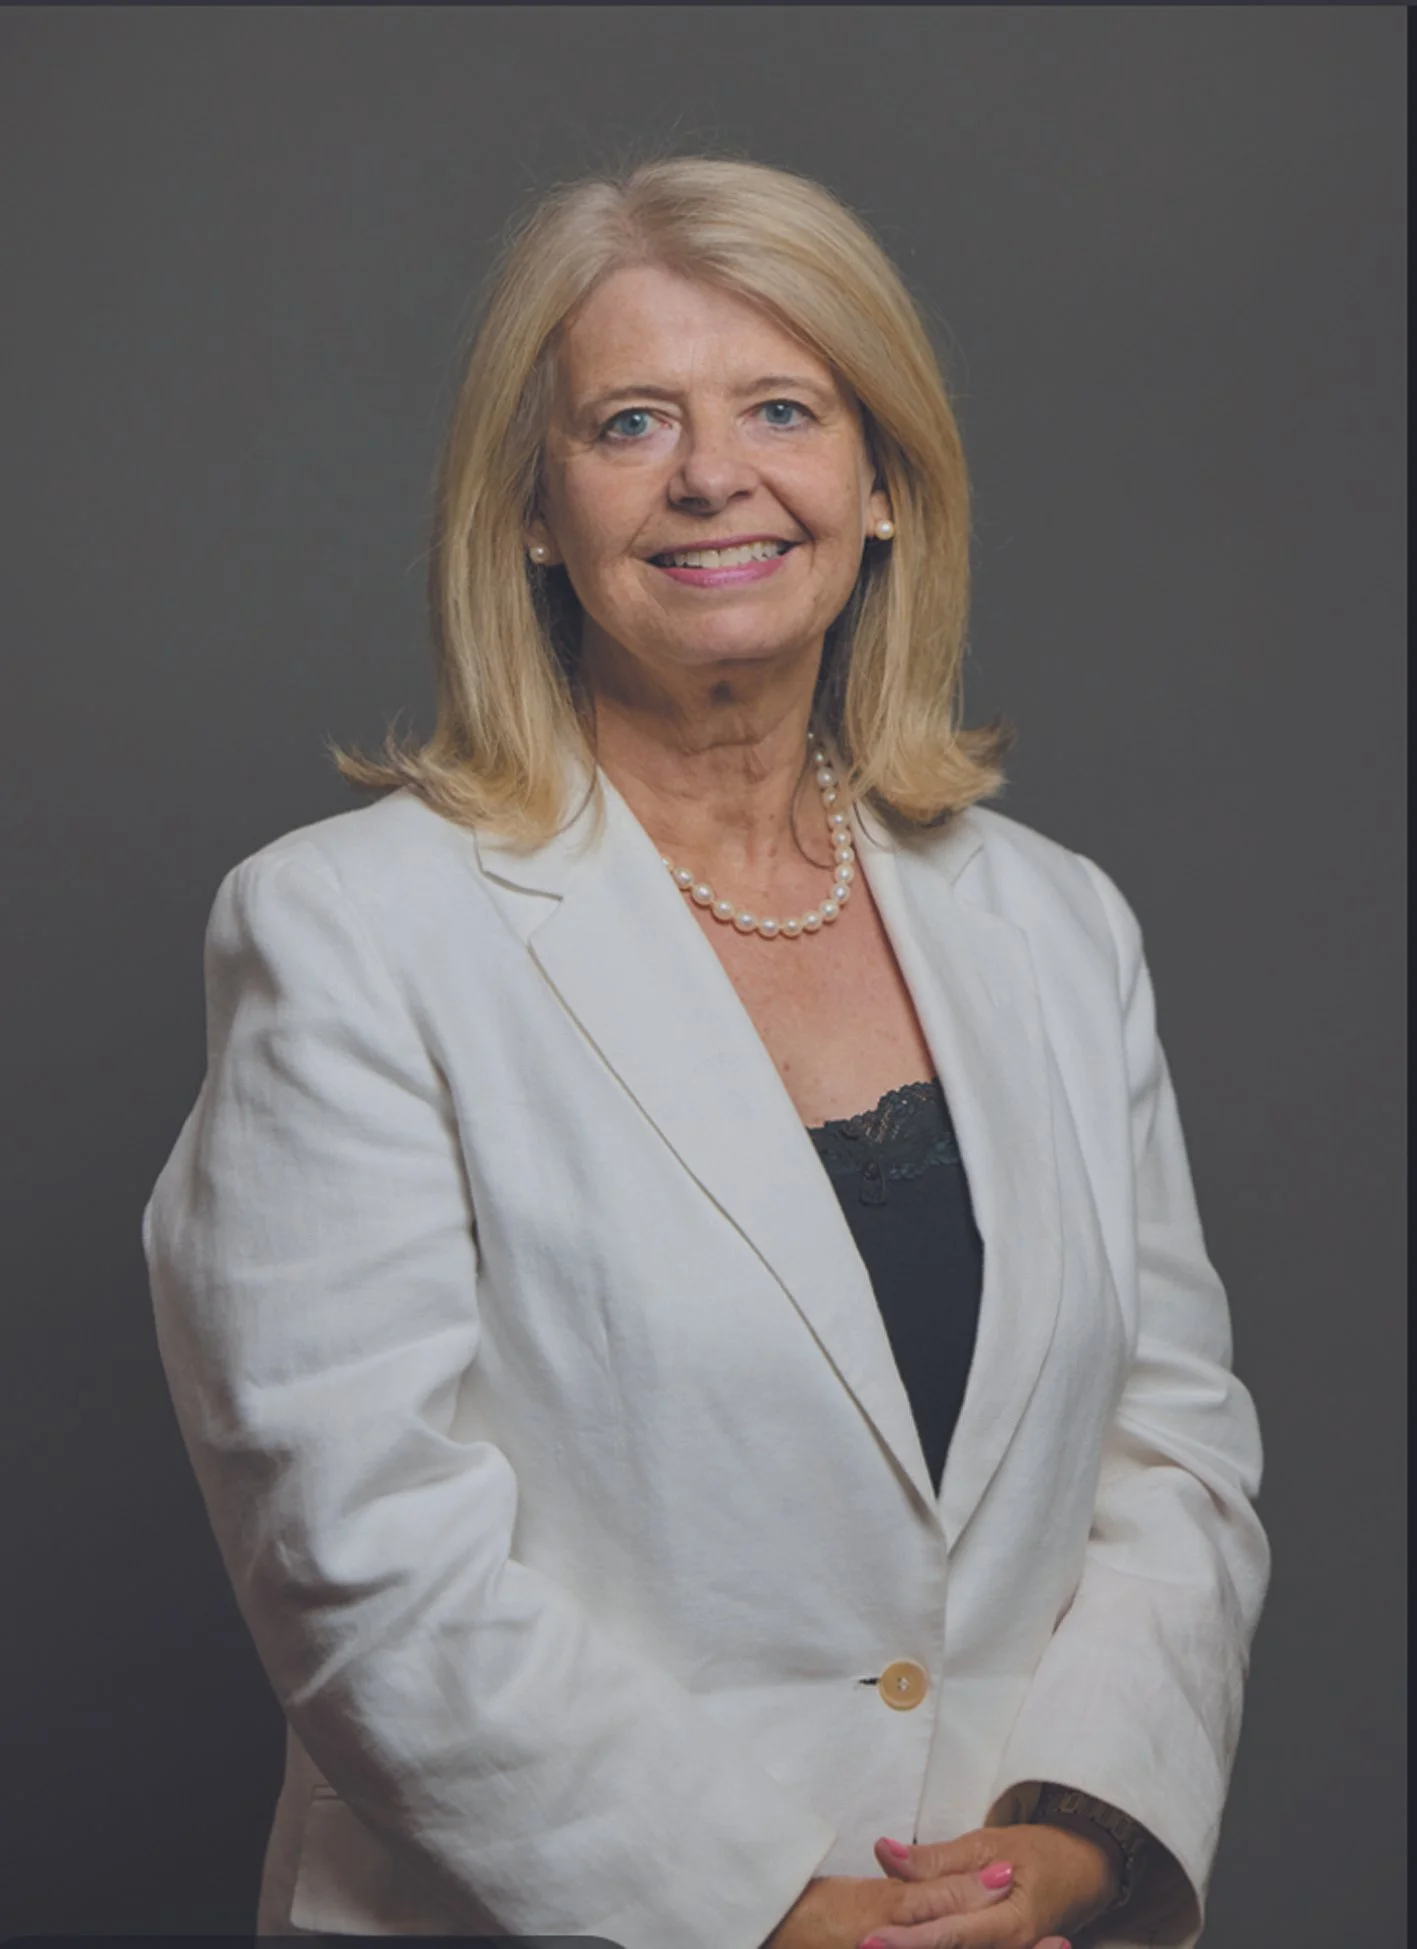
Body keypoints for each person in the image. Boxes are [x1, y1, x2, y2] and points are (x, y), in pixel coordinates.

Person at [144, 157, 1269, 1949]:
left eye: (782, 408)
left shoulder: (1057, 926)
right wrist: (769, 1912)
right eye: (632, 422)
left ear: (880, 481)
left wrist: (1069, 1837)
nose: (712, 475)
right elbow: (357, 1554)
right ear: (533, 511)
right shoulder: (349, 932)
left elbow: (1174, 1450)